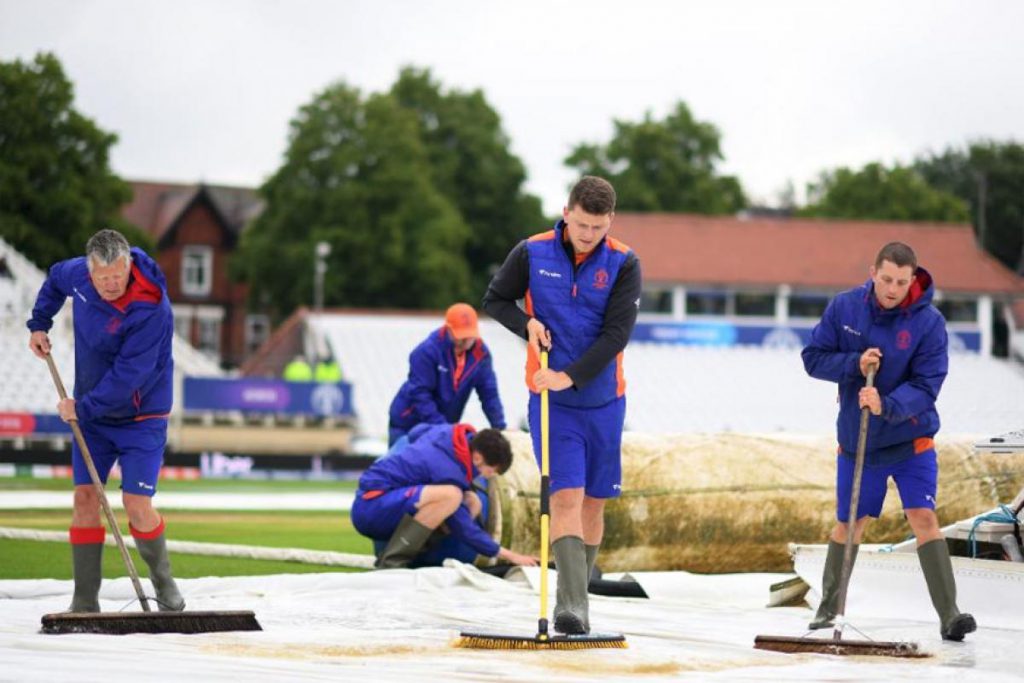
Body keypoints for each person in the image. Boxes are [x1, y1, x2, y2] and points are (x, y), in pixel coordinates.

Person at [482, 176, 642, 635]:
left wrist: (569, 375)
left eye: (597, 227)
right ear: (567, 212)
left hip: (605, 400)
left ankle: (579, 594)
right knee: (565, 496)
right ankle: (571, 609)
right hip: (551, 402)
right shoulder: (532, 252)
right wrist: (526, 323)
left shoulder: (624, 262)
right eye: (581, 225)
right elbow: (495, 299)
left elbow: (617, 336)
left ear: (609, 221)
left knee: (594, 503)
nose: (588, 235)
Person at [801, 241, 976, 641]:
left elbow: (928, 384)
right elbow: (813, 357)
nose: (892, 289)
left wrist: (887, 404)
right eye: (885, 279)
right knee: (850, 523)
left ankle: (950, 615)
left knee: (924, 519)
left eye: (901, 281)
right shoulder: (844, 307)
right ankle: (829, 610)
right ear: (872, 272)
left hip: (911, 441)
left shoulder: (929, 323)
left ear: (912, 279)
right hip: (858, 445)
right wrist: (854, 363)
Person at [27, 229, 184, 613]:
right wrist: (38, 324)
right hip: (94, 417)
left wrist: (82, 408)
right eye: (103, 278)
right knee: (84, 498)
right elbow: (53, 280)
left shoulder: (151, 308)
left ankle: (164, 586)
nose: (112, 284)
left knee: (136, 503)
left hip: (141, 417)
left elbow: (131, 375)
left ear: (128, 265)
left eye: (118, 275)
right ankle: (84, 602)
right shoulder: (77, 274)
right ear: (90, 270)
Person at [351, 422, 537, 568]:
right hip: (371, 507)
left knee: (472, 500)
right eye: (490, 472)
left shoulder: (450, 435)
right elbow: (464, 529)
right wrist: (510, 555)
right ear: (478, 458)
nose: (487, 477)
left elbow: (417, 431)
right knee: (452, 495)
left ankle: (418, 550)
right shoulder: (448, 471)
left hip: (380, 498)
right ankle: (392, 560)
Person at [387, 303, 506, 447]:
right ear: (448, 329)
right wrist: (444, 429)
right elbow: (420, 394)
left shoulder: (481, 354)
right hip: (409, 423)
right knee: (402, 466)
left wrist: (500, 428)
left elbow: (489, 393)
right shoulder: (427, 351)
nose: (466, 341)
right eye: (461, 336)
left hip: (443, 428)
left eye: (470, 335)